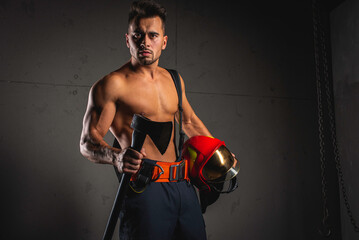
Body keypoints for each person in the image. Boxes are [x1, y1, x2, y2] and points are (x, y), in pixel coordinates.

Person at [80, 1, 213, 239]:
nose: (145, 41)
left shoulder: (174, 79)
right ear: (127, 39)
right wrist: (116, 157)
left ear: (163, 41)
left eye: (152, 35)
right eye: (137, 35)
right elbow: (87, 142)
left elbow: (190, 122)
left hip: (182, 186)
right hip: (145, 187)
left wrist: (218, 153)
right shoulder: (112, 85)